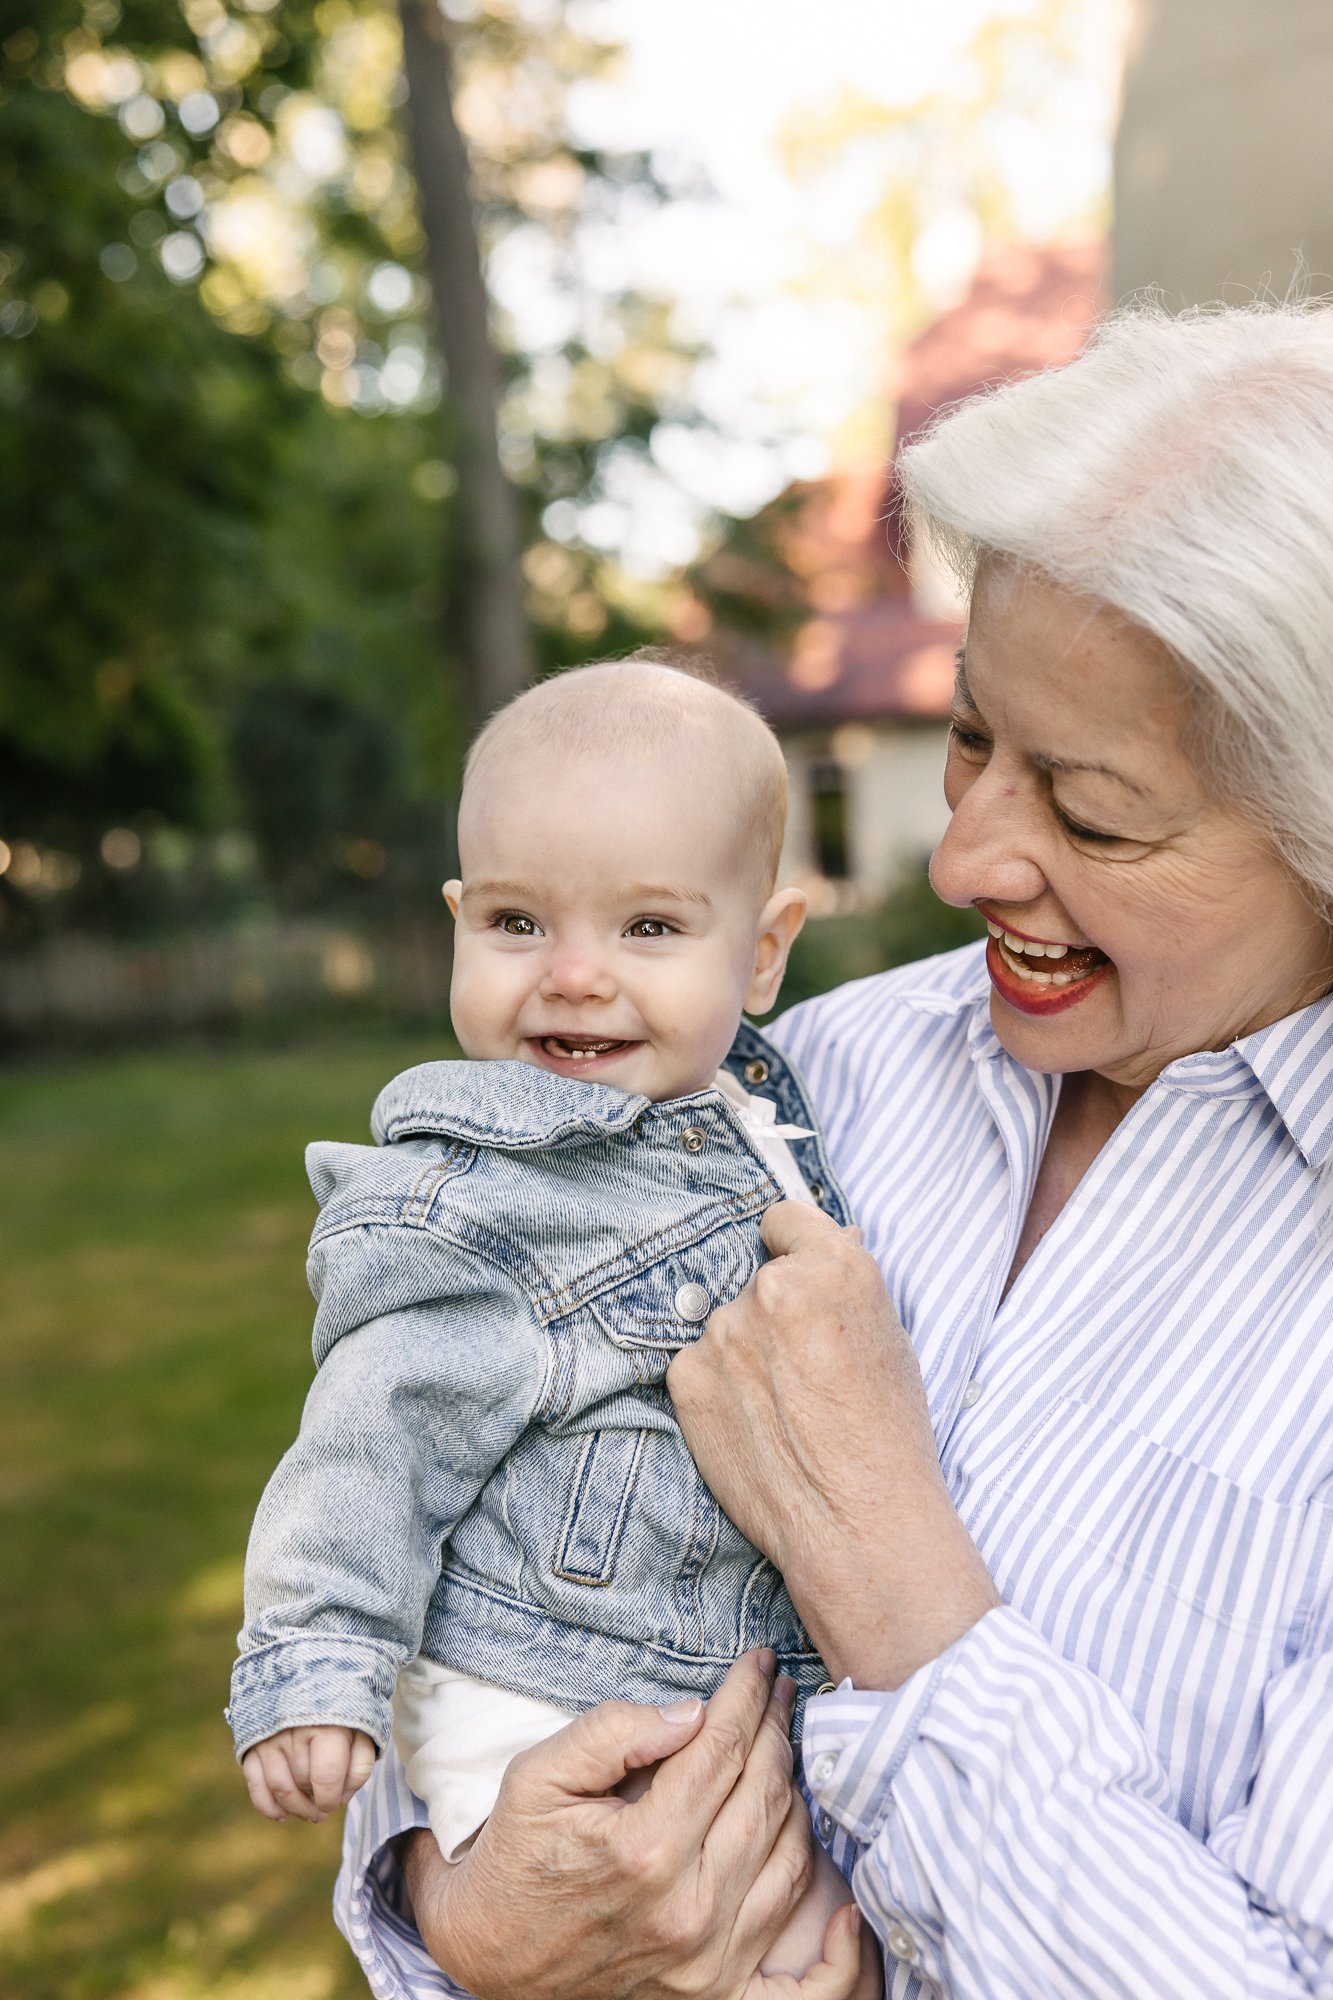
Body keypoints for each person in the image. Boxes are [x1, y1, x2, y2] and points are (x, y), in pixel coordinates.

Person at [334, 299, 1333, 2000]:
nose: (963, 860)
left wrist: (892, 1579)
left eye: (1086, 812)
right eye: (967, 736)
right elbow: (457, 1489)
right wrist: (458, 1897)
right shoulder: (821, 1077)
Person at [228, 659, 880, 1999]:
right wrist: (316, 1669)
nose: (574, 976)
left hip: (708, 1700)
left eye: (647, 929)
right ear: (460, 922)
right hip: (539, 1712)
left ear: (760, 950)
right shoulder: (482, 1205)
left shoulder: (752, 1117)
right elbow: (372, 1440)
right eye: (520, 923)